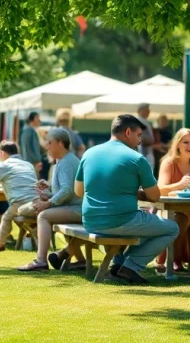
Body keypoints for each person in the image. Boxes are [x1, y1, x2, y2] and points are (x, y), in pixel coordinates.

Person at [75, 114, 179, 284]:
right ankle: (131, 267)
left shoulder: (89, 153)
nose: (140, 141)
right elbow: (154, 196)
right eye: (139, 135)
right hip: (120, 220)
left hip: (90, 221)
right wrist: (136, 192)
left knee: (145, 225)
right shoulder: (137, 159)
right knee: (172, 228)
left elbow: (79, 191)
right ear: (128, 132)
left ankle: (120, 264)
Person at [17, 128, 85, 271]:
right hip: (76, 207)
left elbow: (67, 190)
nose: (46, 147)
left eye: (49, 143)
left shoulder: (66, 162)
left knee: (44, 216)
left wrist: (48, 203)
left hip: (78, 209)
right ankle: (81, 261)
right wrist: (47, 193)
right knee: (44, 214)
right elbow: (65, 191)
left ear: (60, 143)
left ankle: (41, 260)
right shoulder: (64, 160)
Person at [154, 128, 190, 273]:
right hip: (171, 209)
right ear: (177, 144)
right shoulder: (168, 163)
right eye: (186, 142)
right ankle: (173, 259)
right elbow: (160, 189)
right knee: (182, 220)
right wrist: (179, 185)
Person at [0, 141, 39, 251]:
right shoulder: (28, 164)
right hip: (37, 201)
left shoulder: (5, 165)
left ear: (2, 153)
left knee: (6, 217)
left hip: (21, 202)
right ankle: (26, 239)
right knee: (11, 215)